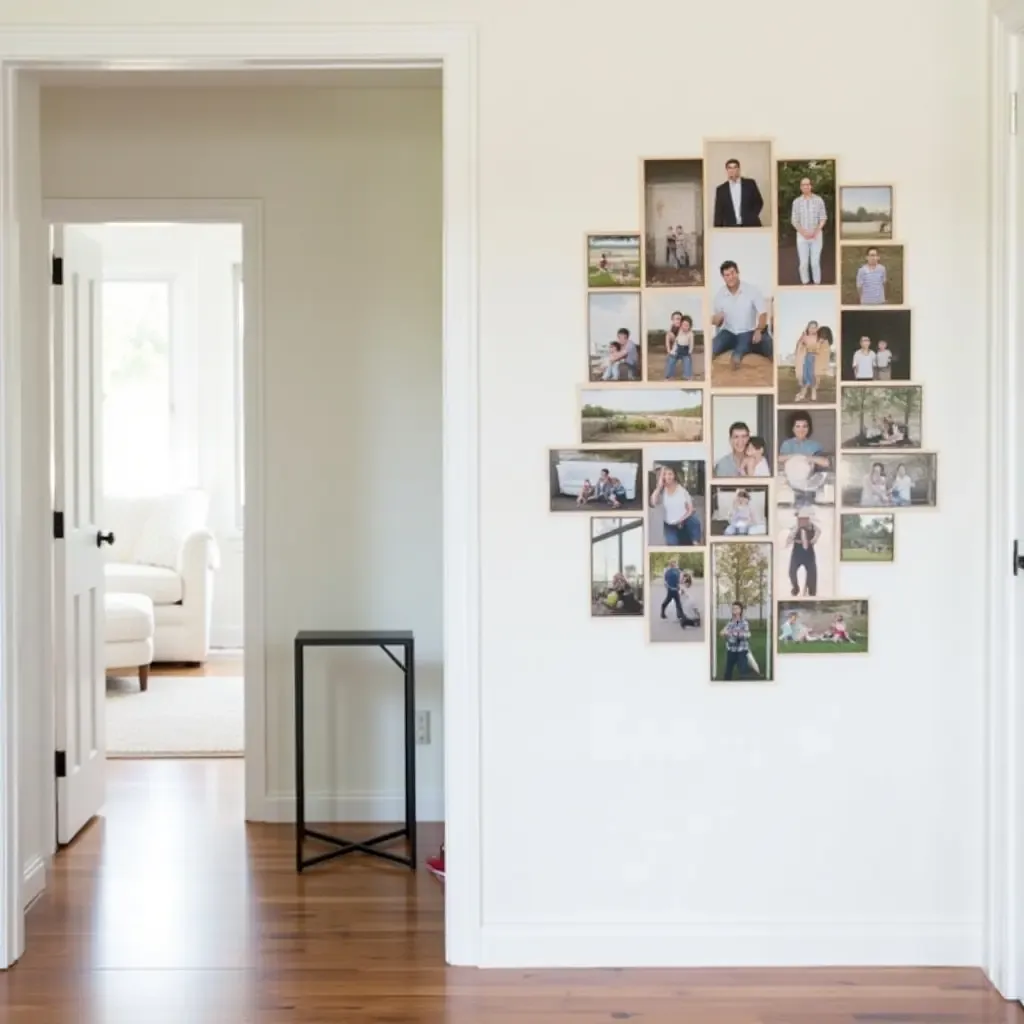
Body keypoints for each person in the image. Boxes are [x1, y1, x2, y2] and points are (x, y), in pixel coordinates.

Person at [710, 261, 774, 371]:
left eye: (732, 273)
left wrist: (759, 329)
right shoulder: (720, 295)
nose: (730, 277)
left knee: (739, 353)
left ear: (738, 272)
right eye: (727, 275)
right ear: (723, 277)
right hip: (728, 332)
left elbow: (763, 313)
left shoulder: (752, 290)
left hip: (748, 331)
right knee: (712, 348)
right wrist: (716, 319)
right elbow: (718, 322)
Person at [778, 411, 830, 506]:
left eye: (804, 426)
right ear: (792, 428)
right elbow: (779, 459)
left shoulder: (815, 445)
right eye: (797, 426)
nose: (801, 429)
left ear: (809, 428)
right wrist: (795, 456)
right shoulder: (787, 444)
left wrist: (808, 458)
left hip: (809, 484)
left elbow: (826, 462)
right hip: (791, 485)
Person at [649, 465, 701, 545]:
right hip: (670, 525)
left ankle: (696, 542)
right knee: (672, 543)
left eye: (670, 474)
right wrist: (658, 487)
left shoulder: (682, 490)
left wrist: (681, 520)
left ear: (674, 476)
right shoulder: (662, 491)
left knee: (695, 522)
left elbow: (690, 509)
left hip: (684, 521)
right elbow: (652, 503)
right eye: (665, 474)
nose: (667, 476)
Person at [790, 176, 828, 285]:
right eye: (803, 185)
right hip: (802, 236)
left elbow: (823, 218)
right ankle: (805, 283)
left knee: (815, 263)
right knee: (803, 263)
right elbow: (794, 220)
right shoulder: (796, 202)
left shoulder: (818, 200)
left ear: (811, 186)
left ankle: (817, 283)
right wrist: (803, 232)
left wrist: (815, 231)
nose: (806, 186)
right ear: (801, 187)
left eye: (808, 184)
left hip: (816, 236)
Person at [713, 158, 764, 227]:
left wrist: (751, 217)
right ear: (727, 171)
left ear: (739, 169)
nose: (732, 170)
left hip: (751, 226)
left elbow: (759, 202)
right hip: (731, 228)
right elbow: (718, 213)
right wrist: (717, 231)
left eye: (735, 167)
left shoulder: (750, 184)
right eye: (730, 168)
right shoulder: (721, 190)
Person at [786, 509, 819, 597]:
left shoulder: (812, 526)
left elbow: (818, 532)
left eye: (805, 519)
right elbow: (789, 538)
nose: (803, 521)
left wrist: (813, 540)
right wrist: (789, 540)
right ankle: (795, 587)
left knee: (812, 573)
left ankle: (811, 591)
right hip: (797, 550)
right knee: (792, 571)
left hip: (809, 551)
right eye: (801, 519)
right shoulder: (795, 527)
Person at [720, 602, 753, 680]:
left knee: (743, 673)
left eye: (736, 608)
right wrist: (724, 633)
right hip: (731, 650)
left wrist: (731, 633)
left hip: (741, 651)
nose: (734, 609)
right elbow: (722, 632)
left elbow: (746, 635)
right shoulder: (730, 622)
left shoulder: (744, 622)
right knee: (727, 673)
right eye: (733, 608)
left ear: (740, 610)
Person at [665, 311, 695, 380]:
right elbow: (676, 341)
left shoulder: (690, 333)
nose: (685, 327)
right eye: (676, 319)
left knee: (687, 360)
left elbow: (691, 344)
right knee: (671, 359)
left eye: (679, 319)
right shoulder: (675, 330)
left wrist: (689, 352)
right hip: (677, 349)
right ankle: (669, 375)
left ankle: (687, 376)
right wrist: (671, 351)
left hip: (685, 350)